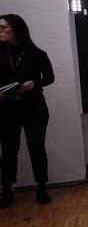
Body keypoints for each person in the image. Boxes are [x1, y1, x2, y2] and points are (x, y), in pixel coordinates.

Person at [0, 14, 55, 207]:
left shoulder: (36, 53)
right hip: (7, 109)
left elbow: (49, 78)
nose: (1, 31)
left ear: (16, 30)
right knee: (8, 151)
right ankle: (7, 189)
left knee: (37, 148)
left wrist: (34, 84)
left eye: (4, 28)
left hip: (33, 107)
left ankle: (42, 187)